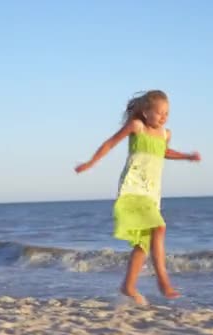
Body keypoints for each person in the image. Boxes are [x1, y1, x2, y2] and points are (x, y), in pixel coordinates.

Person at [75, 90, 201, 304]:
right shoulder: (137, 127)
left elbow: (163, 152)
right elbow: (110, 143)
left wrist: (187, 156)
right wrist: (90, 163)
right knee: (160, 228)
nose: (163, 117)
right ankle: (163, 280)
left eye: (167, 113)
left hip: (152, 192)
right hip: (133, 188)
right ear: (145, 112)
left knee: (143, 243)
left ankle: (128, 286)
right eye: (159, 113)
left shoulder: (164, 134)